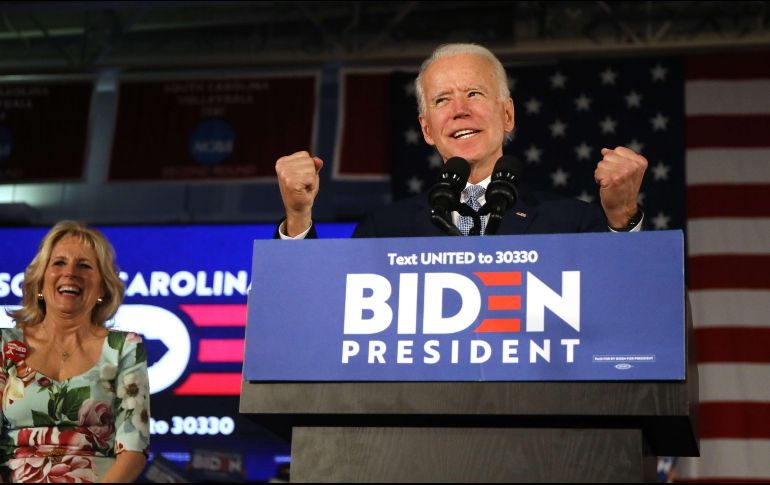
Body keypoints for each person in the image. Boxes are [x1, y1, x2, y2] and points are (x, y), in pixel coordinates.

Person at [275, 43, 647, 238]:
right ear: (426, 129)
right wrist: (297, 217)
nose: (459, 110)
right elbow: (327, 314)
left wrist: (620, 217)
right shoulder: (384, 230)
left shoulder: (573, 223)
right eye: (441, 100)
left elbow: (626, 301)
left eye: (474, 93)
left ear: (507, 115)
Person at [0, 221, 150, 482]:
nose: (70, 273)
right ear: (39, 281)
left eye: (85, 265)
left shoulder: (125, 347)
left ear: (103, 287)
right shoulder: (4, 346)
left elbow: (134, 450)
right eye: (58, 263)